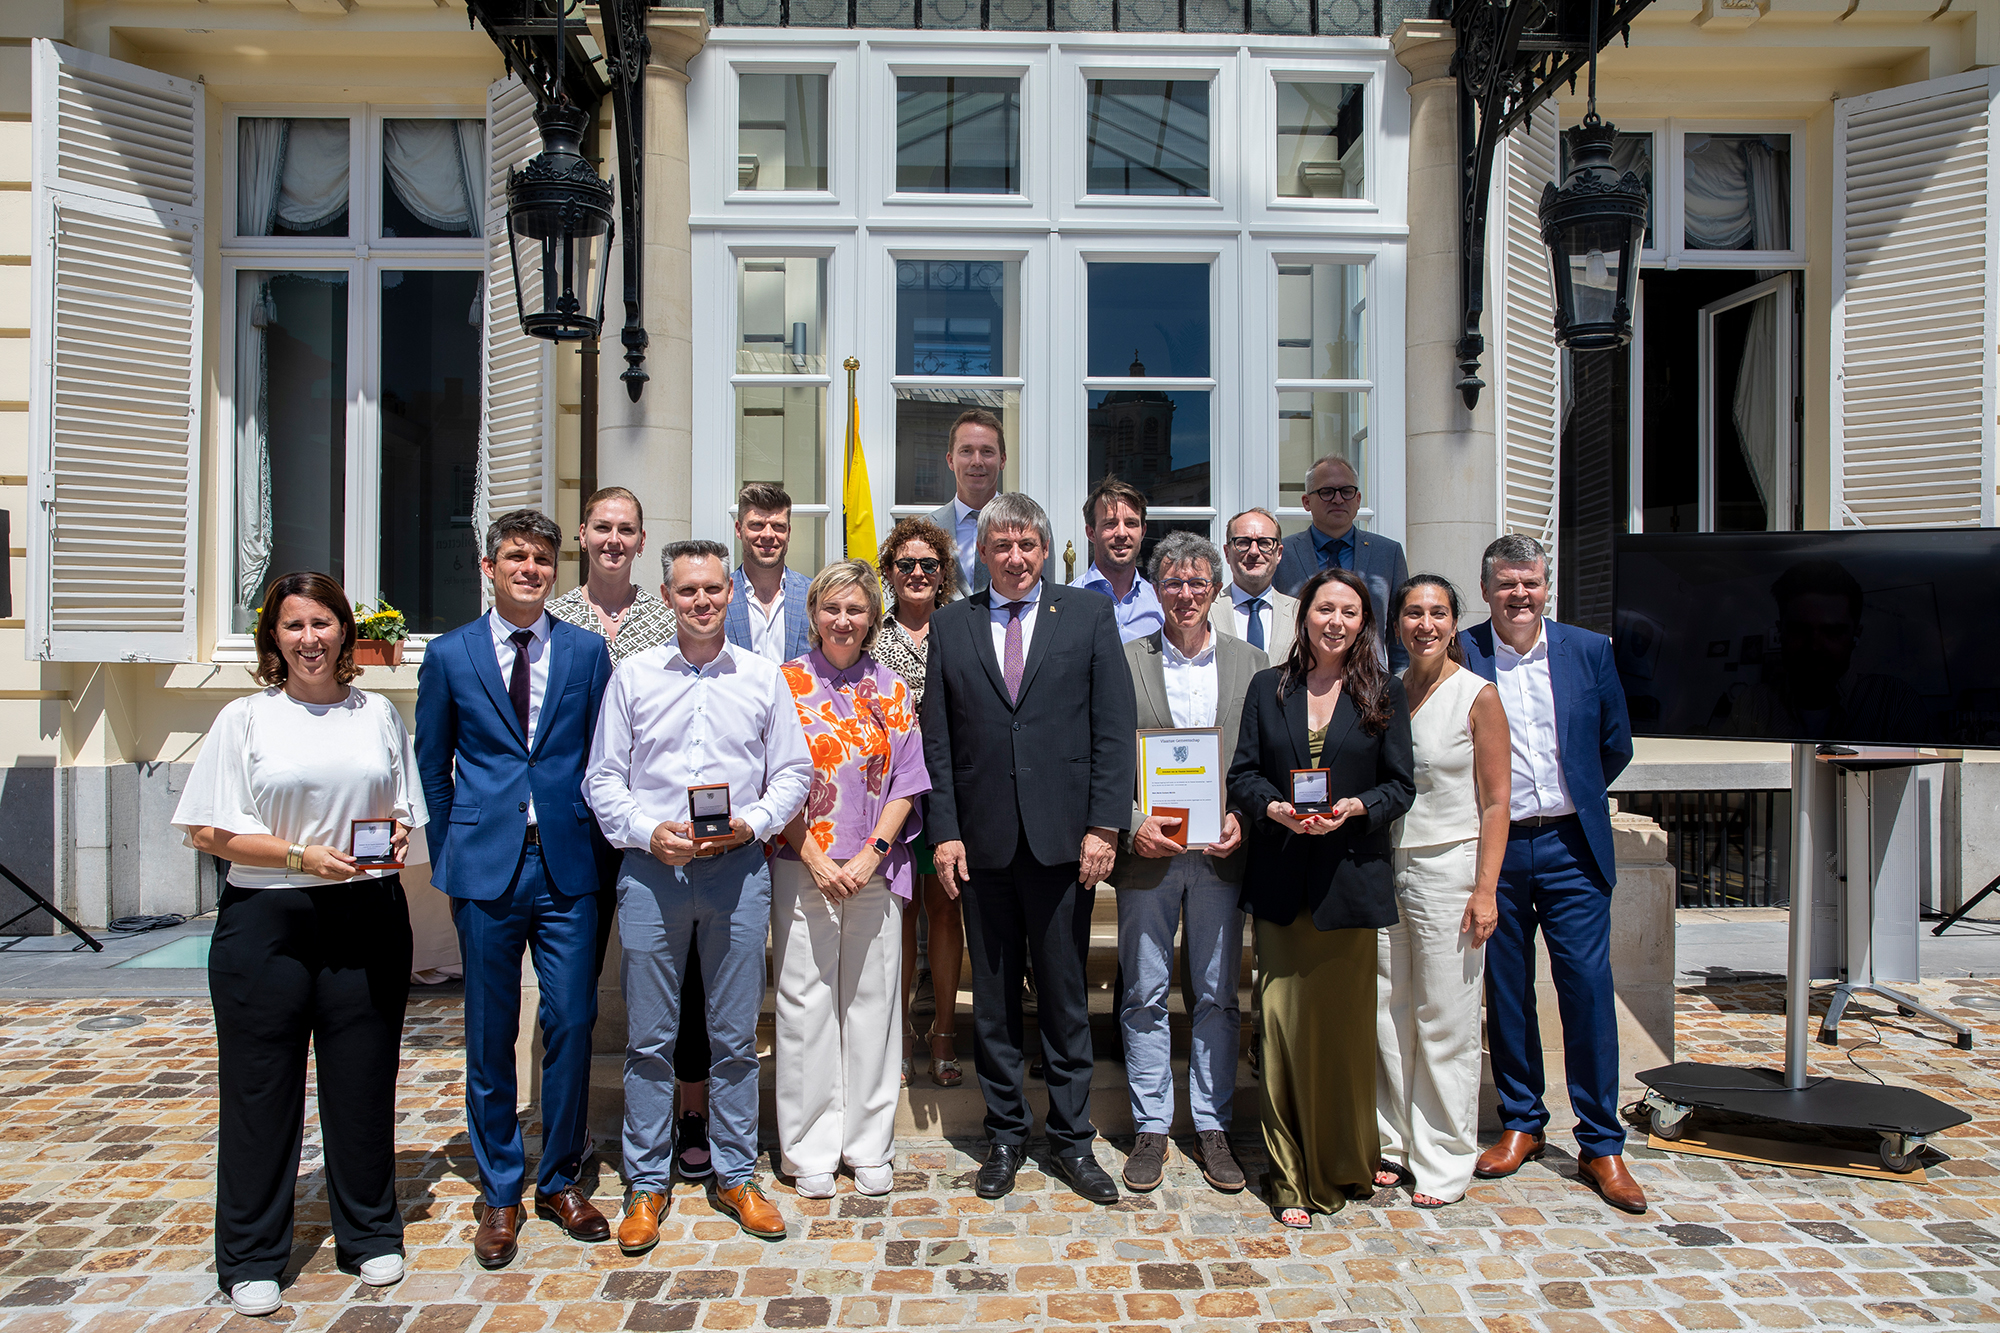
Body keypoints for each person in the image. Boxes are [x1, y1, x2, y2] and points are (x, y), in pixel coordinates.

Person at [173, 572, 427, 1317]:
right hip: (268, 923)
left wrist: (398, 834)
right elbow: (205, 829)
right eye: (294, 626)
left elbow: (403, 802)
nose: (310, 638)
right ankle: (252, 1253)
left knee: (363, 1081)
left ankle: (371, 1230)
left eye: (323, 623)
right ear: (273, 639)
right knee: (261, 1091)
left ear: (346, 631)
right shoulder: (246, 718)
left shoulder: (377, 711)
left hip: (367, 914)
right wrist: (298, 856)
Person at [586, 539, 813, 1247]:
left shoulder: (761, 676)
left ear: (729, 593)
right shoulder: (632, 676)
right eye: (688, 591)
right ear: (667, 597)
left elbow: (793, 772)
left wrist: (756, 821)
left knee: (735, 1035)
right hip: (654, 873)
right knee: (651, 1038)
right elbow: (602, 779)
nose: (703, 602)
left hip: (736, 870)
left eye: (714, 589)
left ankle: (737, 1174)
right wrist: (648, 832)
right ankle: (646, 1185)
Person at [921, 492, 1136, 1206]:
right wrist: (946, 830)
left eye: (1028, 545)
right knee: (992, 1001)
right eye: (1002, 545)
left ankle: (1073, 1138)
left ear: (1046, 551)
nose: (1016, 558)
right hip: (981, 845)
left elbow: (1112, 726)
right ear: (980, 552)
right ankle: (1007, 1131)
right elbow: (939, 740)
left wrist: (1105, 826)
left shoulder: (1085, 615)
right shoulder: (952, 625)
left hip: (1062, 843)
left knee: (1065, 995)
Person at [415, 509, 617, 1266]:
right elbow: (433, 763)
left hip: (568, 863)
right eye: (515, 557)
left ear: (553, 570)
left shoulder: (589, 653)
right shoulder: (449, 655)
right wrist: (453, 849)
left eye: (540, 558)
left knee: (570, 1020)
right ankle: (500, 1187)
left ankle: (561, 1177)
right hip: (486, 866)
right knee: (490, 1030)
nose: (528, 568)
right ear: (488, 567)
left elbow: (607, 756)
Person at [1459, 534, 1644, 1214]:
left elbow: (1613, 744)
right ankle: (1522, 1122)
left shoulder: (1588, 652)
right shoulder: (1463, 652)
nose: (1520, 594)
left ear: (1547, 587)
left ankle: (1600, 1141)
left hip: (1570, 844)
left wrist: (1575, 796)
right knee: (1506, 989)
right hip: (1496, 850)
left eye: (1531, 582)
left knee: (1587, 988)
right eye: (1507, 583)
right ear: (1486, 590)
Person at [1228, 568, 1414, 1228]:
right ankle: (1286, 1172)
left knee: (1341, 1035)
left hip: (1348, 886)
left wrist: (1358, 806)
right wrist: (1272, 806)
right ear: (1303, 613)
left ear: (1364, 623)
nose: (1336, 620)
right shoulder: (1265, 687)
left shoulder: (1382, 691)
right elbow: (1242, 772)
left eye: (1350, 611)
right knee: (1279, 1028)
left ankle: (1345, 1159)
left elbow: (1401, 786)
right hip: (1282, 885)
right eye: (1325, 608)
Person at [545, 486, 715, 1182]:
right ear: (582, 535)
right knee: (575, 990)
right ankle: (572, 1126)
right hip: (576, 824)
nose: (614, 538)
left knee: (692, 984)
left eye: (627, 528)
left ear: (644, 540)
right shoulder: (552, 614)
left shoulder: (667, 609)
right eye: (602, 527)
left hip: (664, 827)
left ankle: (692, 1115)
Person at [1111, 532, 1266, 1195]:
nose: (1184, 594)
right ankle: (1151, 1124)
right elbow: (1102, 757)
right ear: (1155, 589)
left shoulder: (1253, 662)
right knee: (1143, 993)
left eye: (1198, 583)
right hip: (1149, 858)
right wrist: (1129, 823)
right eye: (1172, 582)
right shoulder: (1124, 661)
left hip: (1220, 858)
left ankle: (1211, 1123)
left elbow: (1264, 757)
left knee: (1215, 996)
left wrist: (1246, 818)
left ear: (1216, 589)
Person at [772, 561, 931, 1199]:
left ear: (872, 619)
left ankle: (869, 1144)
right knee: (805, 1005)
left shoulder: (893, 688)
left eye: (857, 610)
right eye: (832, 608)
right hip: (800, 862)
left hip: (874, 868)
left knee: (872, 1004)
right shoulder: (781, 685)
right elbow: (770, 781)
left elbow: (908, 783)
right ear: (813, 614)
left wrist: (871, 853)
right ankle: (807, 1147)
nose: (844, 620)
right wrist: (813, 855)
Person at [1374, 575, 1511, 1209]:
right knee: (1388, 1012)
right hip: (1385, 867)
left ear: (1455, 622)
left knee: (1446, 1018)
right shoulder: (1389, 691)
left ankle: (1447, 1156)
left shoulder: (1477, 695)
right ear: (1396, 623)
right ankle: (1395, 1142)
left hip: (1448, 867)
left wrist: (1485, 889)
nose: (1424, 624)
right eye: (1412, 613)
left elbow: (1496, 802)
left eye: (1437, 613)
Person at [873, 516, 965, 1090]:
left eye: (927, 564)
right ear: (889, 572)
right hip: (893, 796)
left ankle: (946, 1032)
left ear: (942, 573)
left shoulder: (963, 629)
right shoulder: (870, 634)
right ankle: (901, 1031)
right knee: (901, 912)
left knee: (946, 907)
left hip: (953, 791)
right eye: (904, 564)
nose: (916, 573)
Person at [1272, 455, 1410, 670]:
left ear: (1358, 499)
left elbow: (1399, 636)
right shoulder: (1282, 554)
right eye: (1326, 492)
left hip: (1370, 684)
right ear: (1306, 502)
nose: (1338, 499)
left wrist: (1397, 688)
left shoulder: (1388, 553)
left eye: (1347, 491)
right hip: (1299, 682)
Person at [726, 482, 811, 662]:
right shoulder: (717, 597)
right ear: (738, 529)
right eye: (757, 524)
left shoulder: (815, 595)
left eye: (777, 526)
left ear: (788, 532)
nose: (768, 535)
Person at [1075, 475, 1164, 643]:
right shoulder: (1070, 601)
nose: (1122, 533)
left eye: (1131, 523)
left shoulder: (1160, 602)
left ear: (1143, 532)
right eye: (1110, 523)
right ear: (1091, 533)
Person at [925, 408, 1005, 594]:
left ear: (1002, 460)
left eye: (987, 451)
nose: (976, 461)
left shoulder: (1030, 526)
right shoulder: (926, 529)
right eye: (966, 451)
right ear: (951, 461)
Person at [1212, 507, 1298, 660]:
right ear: (1227, 552)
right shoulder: (1206, 611)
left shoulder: (1299, 613)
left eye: (1264, 543)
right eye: (1243, 542)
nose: (1253, 551)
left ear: (1279, 553)